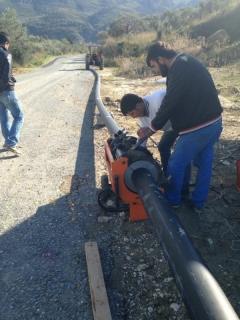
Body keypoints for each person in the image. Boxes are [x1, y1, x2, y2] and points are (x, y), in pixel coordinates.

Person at [142, 41, 223, 211]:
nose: (156, 71)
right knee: (204, 163)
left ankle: (172, 200)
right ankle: (198, 202)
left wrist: (153, 127)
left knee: (175, 164)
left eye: (154, 66)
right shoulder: (187, 61)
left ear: (160, 59)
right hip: (214, 123)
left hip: (198, 128)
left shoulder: (178, 68)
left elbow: (171, 101)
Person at [120, 89, 178, 175]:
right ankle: (167, 173)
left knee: (180, 153)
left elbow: (174, 114)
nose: (133, 117)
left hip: (183, 122)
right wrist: (137, 150)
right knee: (163, 146)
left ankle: (182, 184)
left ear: (138, 105)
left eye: (132, 113)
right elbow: (144, 136)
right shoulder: (141, 114)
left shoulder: (159, 99)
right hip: (171, 127)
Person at [0, 32, 24, 155]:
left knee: (4, 118)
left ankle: (7, 142)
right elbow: (5, 74)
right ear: (6, 43)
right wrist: (8, 81)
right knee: (19, 116)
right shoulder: (6, 54)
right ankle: (11, 142)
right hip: (6, 90)